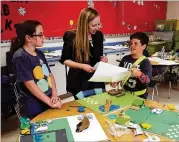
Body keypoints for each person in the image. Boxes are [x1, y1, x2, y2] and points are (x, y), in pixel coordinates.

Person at [11, 20, 62, 119]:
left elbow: (50, 75)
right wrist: (49, 102)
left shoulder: (40, 54)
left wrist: (54, 95)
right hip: (33, 104)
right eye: (40, 35)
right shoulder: (20, 57)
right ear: (28, 38)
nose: (44, 38)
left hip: (48, 99)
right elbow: (30, 84)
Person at [60, 8, 108, 99]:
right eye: (94, 25)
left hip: (96, 79)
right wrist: (82, 66)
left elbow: (98, 56)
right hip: (79, 82)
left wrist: (102, 59)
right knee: (84, 107)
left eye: (99, 24)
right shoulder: (71, 36)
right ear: (84, 24)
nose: (97, 28)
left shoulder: (99, 35)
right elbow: (65, 60)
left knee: (99, 103)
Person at [119, 32, 152, 99]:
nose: (132, 46)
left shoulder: (145, 62)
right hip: (125, 94)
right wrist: (115, 81)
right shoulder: (125, 58)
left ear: (143, 46)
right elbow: (119, 74)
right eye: (131, 43)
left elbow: (147, 81)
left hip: (139, 97)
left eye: (136, 43)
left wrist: (139, 74)